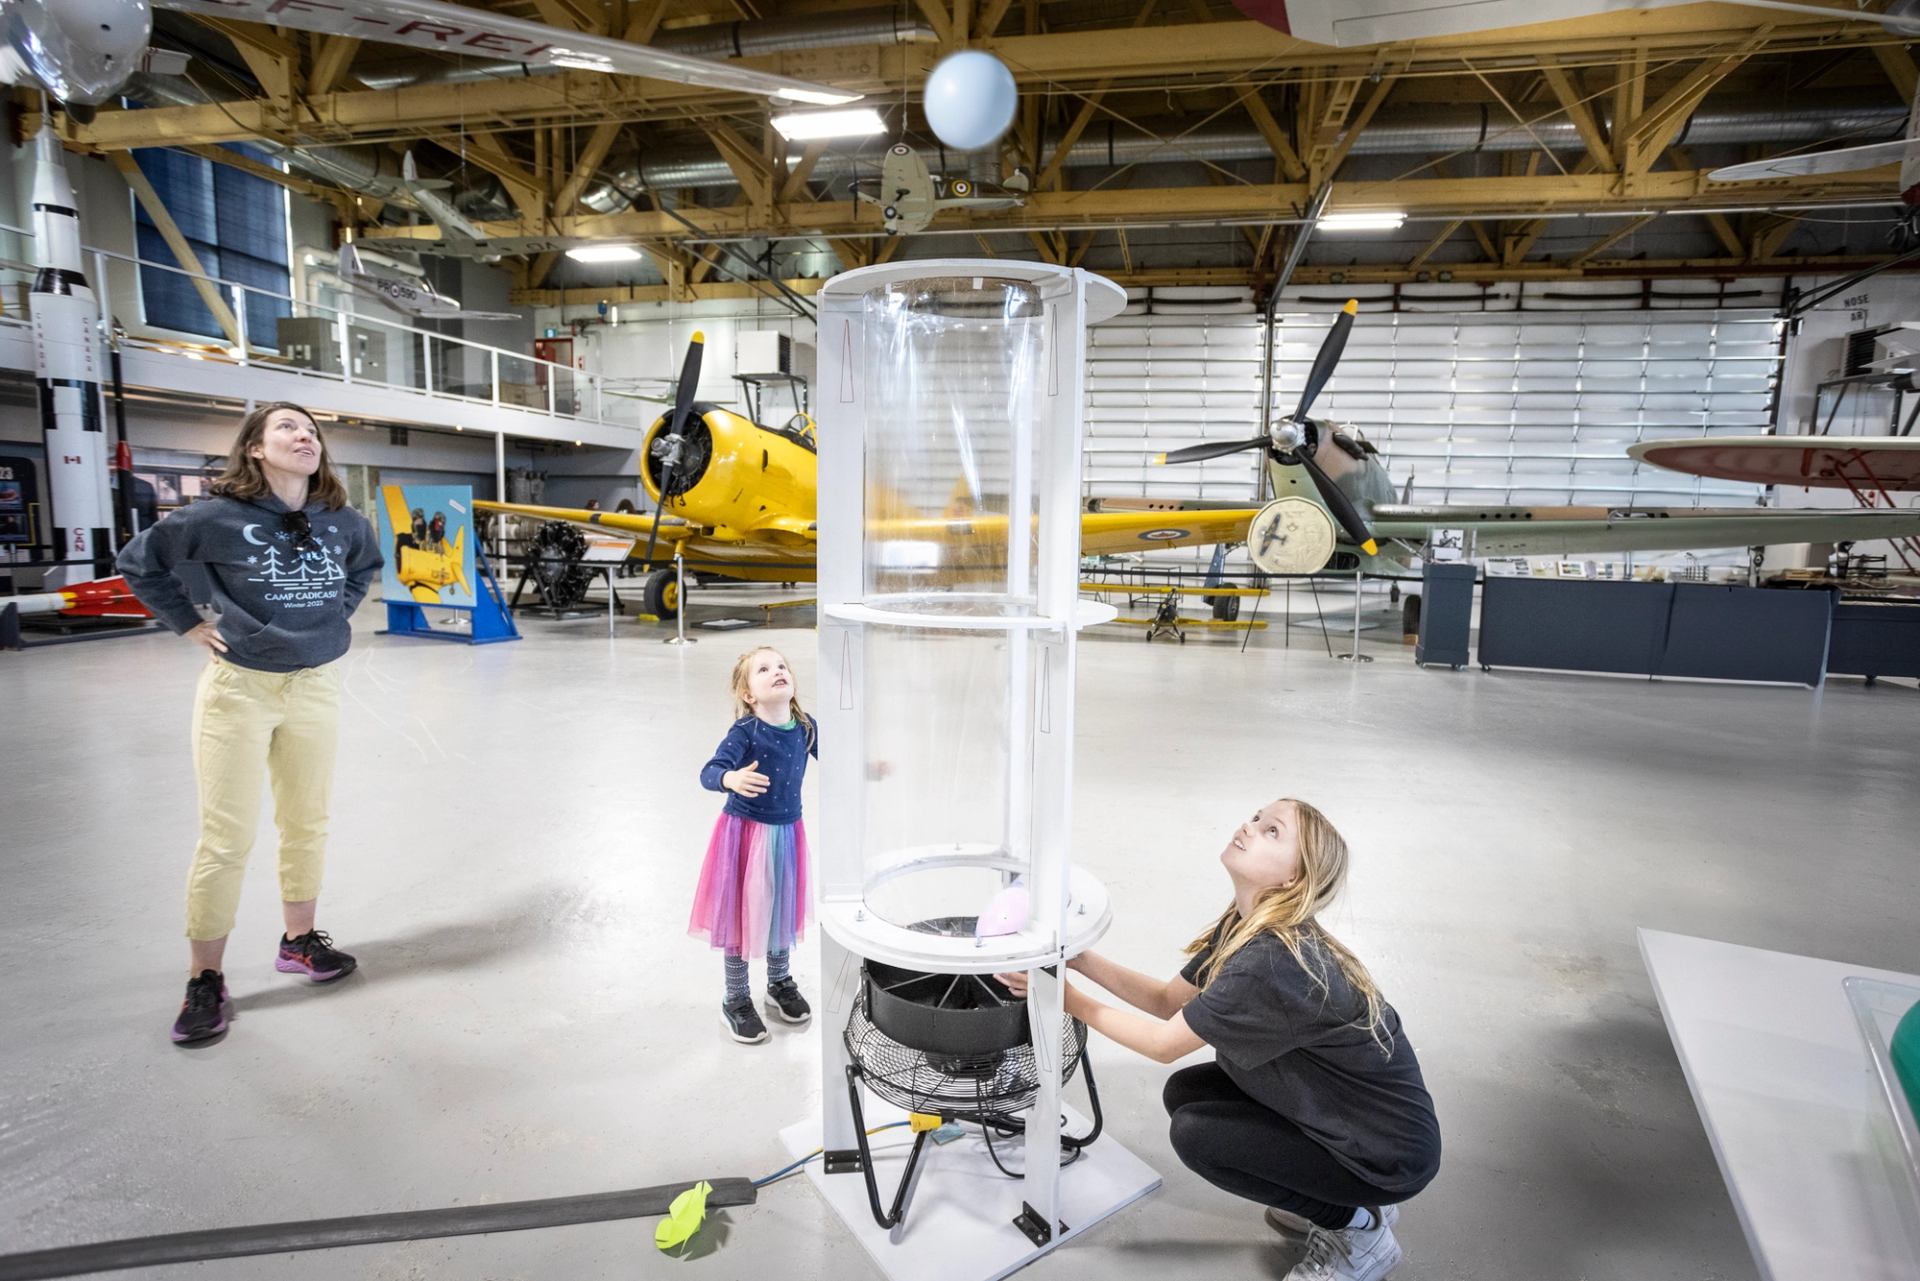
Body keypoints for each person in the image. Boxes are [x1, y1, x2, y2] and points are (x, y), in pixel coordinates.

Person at [999, 798, 1439, 1281]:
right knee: (1188, 1095)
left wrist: (1068, 1000)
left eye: (1272, 831)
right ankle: (1328, 1196)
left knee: (1198, 1137)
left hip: (1384, 1154)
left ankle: (1358, 1228)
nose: (1249, 827)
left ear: (1294, 877)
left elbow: (1162, 1044)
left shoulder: (1274, 960)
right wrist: (1079, 959)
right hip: (1348, 1118)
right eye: (1256, 818)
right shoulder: (1249, 924)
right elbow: (1170, 1002)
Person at [118, 401, 384, 1045]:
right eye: (288, 427)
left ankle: (298, 941)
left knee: (306, 822)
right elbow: (140, 560)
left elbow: (364, 570)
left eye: (312, 430)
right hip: (240, 689)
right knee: (226, 837)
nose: (305, 436)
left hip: (314, 683)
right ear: (256, 449)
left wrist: (331, 618)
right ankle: (205, 977)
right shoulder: (215, 517)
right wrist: (187, 622)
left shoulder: (343, 519)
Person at [691, 646, 816, 1044]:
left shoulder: (805, 727)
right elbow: (709, 771)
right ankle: (736, 998)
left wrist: (872, 766)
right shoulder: (745, 732)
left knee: (780, 908)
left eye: (782, 665)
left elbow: (841, 755)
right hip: (745, 836)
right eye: (763, 669)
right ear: (749, 694)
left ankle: (779, 983)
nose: (777, 671)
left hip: (786, 834)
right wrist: (731, 779)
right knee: (741, 917)